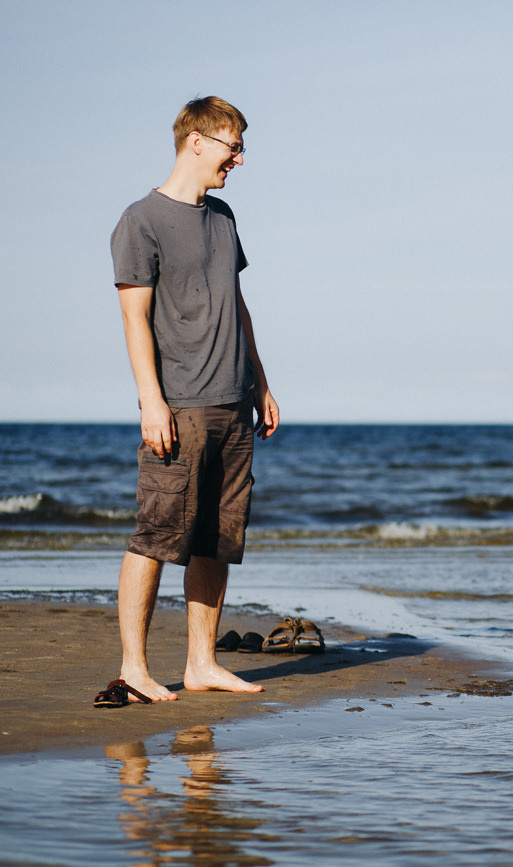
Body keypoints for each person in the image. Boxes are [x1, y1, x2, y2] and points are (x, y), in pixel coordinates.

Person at [106, 96, 279, 704]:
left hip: (233, 403)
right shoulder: (141, 220)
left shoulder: (225, 216)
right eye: (234, 146)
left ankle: (202, 662)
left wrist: (259, 380)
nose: (239, 158)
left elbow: (238, 302)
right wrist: (151, 402)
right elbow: (134, 319)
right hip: (178, 404)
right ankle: (133, 668)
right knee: (156, 534)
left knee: (217, 538)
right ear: (197, 142)